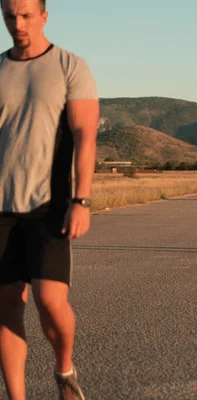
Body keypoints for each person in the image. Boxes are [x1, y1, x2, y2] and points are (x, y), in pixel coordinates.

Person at [0, 0, 99, 399]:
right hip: (1, 209)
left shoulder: (69, 66)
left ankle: (64, 369)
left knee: (49, 300)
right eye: (9, 15)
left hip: (49, 205)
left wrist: (83, 199)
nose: (17, 23)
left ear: (43, 16)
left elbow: (84, 136)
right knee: (6, 303)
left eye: (26, 15)